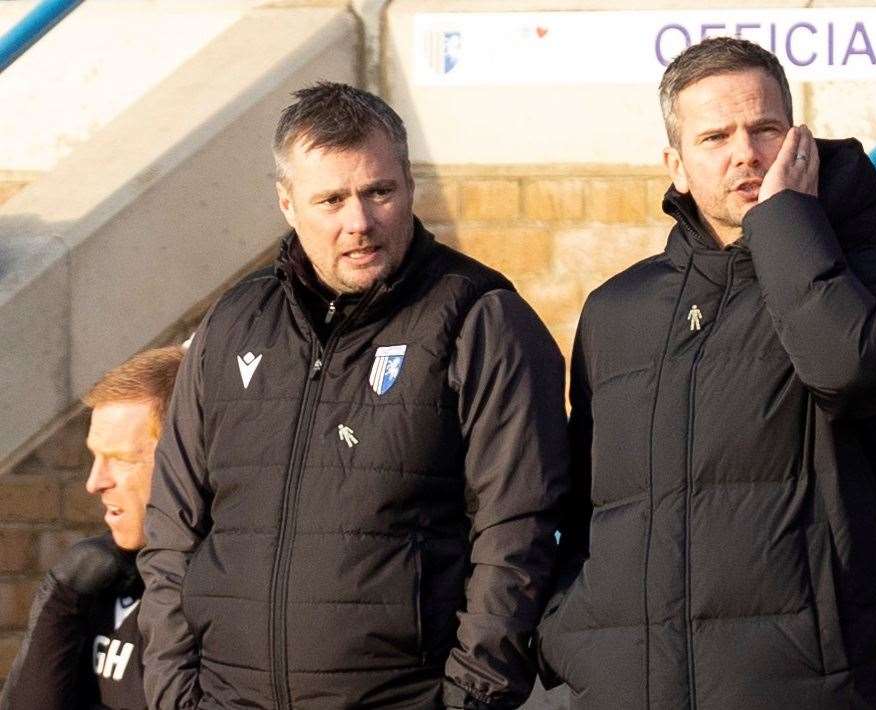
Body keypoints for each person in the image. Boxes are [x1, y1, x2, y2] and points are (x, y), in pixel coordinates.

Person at [536, 37, 876, 709]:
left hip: (817, 691)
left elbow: (853, 366)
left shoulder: (872, 273)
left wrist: (784, 218)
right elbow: (586, 500)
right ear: (675, 165)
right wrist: (575, 637)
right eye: (716, 136)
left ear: (798, 142)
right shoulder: (617, 311)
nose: (745, 153)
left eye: (765, 130)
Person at [137, 82, 568, 710]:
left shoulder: (480, 319)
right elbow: (174, 528)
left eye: (379, 192)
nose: (359, 222)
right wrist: (176, 696)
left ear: (409, 185)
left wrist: (471, 701)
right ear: (287, 203)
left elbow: (518, 536)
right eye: (331, 199)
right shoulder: (231, 324)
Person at [1, 346, 184, 710]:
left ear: (184, 460)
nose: (94, 482)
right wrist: (60, 600)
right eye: (95, 456)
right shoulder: (96, 586)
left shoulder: (227, 599)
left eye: (121, 459)